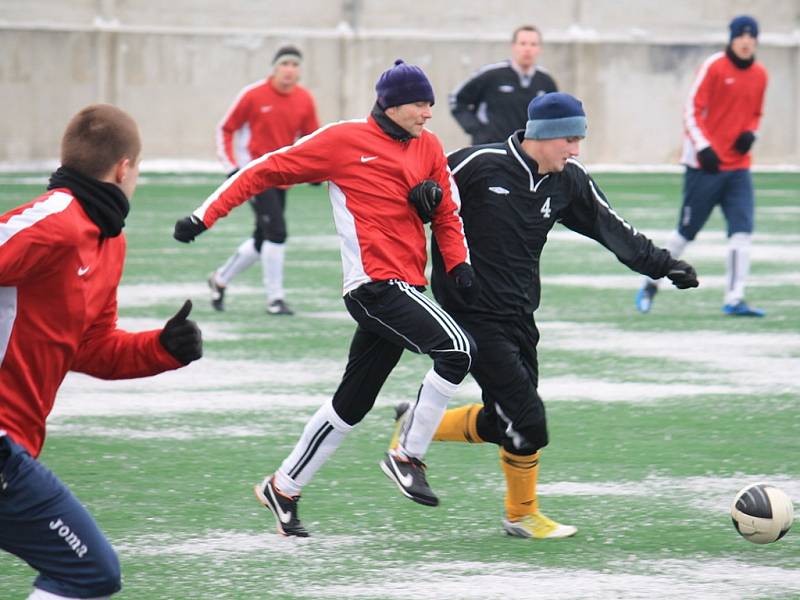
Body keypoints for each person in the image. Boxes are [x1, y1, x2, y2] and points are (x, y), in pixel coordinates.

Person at [174, 59, 480, 537]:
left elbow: (448, 211)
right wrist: (202, 216)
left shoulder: (430, 145)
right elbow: (263, 170)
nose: (428, 114)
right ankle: (408, 454)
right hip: (373, 287)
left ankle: (284, 485)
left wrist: (456, 262)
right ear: (393, 104)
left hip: (407, 285)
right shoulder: (343, 140)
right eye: (421, 104)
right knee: (457, 350)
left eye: (430, 104)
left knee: (351, 403)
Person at [390, 92, 699, 540]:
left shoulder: (568, 180)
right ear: (542, 136)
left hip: (520, 314)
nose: (575, 149)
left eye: (579, 140)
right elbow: (410, 194)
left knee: (503, 422)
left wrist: (662, 264)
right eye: (569, 139)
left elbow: (611, 227)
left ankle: (418, 424)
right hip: (470, 311)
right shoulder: (477, 164)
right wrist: (418, 204)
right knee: (529, 419)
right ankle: (521, 514)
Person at [0, 104, 203, 599]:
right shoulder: (55, 223)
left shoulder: (108, 242)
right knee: (88, 570)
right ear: (124, 168)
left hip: (18, 445)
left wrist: (161, 348)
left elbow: (90, 347)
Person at [636, 15, 768, 317]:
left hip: (738, 168)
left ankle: (734, 298)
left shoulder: (761, 74)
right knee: (685, 233)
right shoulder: (715, 67)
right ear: (732, 38)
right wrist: (704, 147)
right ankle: (649, 284)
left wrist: (752, 133)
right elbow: (691, 111)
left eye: (752, 36)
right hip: (705, 167)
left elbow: (756, 114)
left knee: (742, 233)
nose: (746, 41)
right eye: (741, 36)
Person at [210, 45, 320, 315]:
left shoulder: (304, 99)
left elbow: (313, 139)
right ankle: (275, 299)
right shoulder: (252, 95)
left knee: (262, 239)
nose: (289, 70)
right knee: (277, 232)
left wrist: (318, 170)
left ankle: (220, 280)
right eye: (285, 64)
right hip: (254, 175)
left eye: (295, 65)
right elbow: (226, 129)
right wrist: (232, 167)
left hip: (282, 176)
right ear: (274, 67)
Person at [449, 25, 558, 145]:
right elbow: (456, 99)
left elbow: (555, 116)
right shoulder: (491, 75)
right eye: (523, 43)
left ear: (540, 49)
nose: (528, 49)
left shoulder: (545, 81)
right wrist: (477, 130)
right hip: (491, 149)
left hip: (526, 153)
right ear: (513, 46)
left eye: (533, 44)